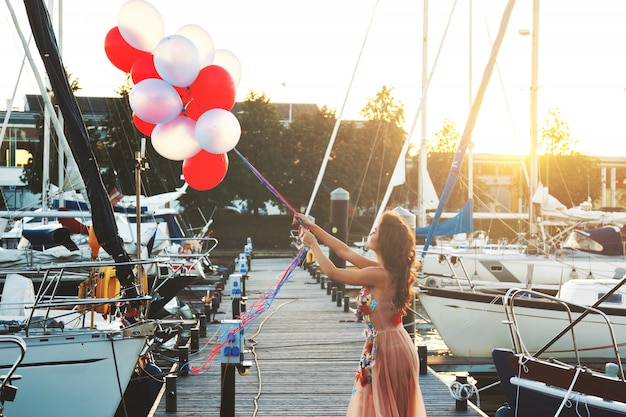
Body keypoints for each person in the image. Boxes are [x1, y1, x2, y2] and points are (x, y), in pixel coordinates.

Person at [293, 211, 427, 417]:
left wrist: (313, 245)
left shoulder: (378, 274)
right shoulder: (385, 270)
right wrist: (312, 227)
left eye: (375, 231)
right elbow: (343, 250)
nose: (370, 233)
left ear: (385, 240)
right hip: (390, 345)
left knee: (381, 408)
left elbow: (333, 273)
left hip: (389, 350)